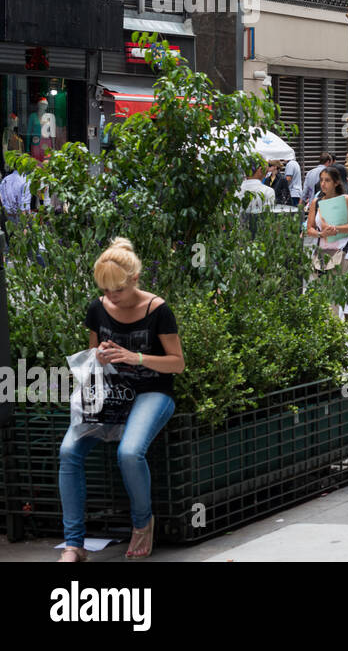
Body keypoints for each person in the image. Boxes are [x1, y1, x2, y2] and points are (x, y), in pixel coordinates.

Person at [57, 237, 185, 562]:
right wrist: (99, 356)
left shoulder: (158, 309)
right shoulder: (98, 308)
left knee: (129, 452)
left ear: (135, 280)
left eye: (118, 290)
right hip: (110, 393)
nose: (112, 297)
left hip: (152, 391)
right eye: (106, 290)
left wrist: (135, 357)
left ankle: (143, 524)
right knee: (68, 451)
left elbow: (177, 363)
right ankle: (74, 545)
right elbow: (93, 355)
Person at [306, 166, 348, 319]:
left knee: (334, 292)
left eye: (327, 180)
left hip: (340, 250)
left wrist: (335, 229)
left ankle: (335, 325)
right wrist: (320, 233)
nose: (323, 184)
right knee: (319, 291)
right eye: (321, 180)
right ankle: (325, 326)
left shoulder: (346, 199)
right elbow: (309, 228)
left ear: (336, 182)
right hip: (321, 251)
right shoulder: (316, 202)